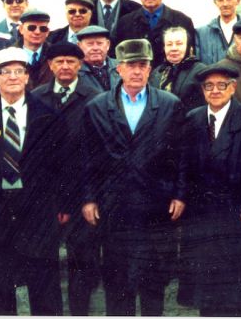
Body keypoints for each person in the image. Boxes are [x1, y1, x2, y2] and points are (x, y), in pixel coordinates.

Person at [0, 48, 72, 315]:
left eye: (19, 71)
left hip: (37, 212)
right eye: (5, 72)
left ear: (27, 77)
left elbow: (63, 165)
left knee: (45, 288)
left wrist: (63, 204)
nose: (13, 77)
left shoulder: (47, 115)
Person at [81, 38, 188, 316]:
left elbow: (181, 155)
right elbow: (89, 157)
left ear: (150, 68)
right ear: (119, 69)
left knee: (153, 278)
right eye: (131, 65)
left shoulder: (169, 104)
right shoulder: (97, 106)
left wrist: (179, 194)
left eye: (142, 65)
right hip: (114, 205)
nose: (137, 71)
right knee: (117, 278)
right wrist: (89, 198)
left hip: (156, 203)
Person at [183, 60, 241, 317]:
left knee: (236, 292)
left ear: (233, 88)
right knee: (207, 290)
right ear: (202, 90)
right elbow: (184, 165)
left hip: (235, 214)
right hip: (202, 216)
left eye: (222, 85)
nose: (215, 91)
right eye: (209, 86)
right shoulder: (193, 118)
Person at [31, 42, 103, 315]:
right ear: (50, 65)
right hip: (45, 195)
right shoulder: (36, 97)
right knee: (43, 262)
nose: (64, 66)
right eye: (59, 61)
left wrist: (89, 196)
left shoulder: (95, 98)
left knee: (81, 260)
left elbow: (98, 151)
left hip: (81, 192)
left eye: (70, 61)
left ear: (80, 65)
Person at [112, 0, 197, 69]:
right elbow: (118, 56)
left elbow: (190, 56)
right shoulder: (125, 23)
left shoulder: (182, 21)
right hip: (137, 74)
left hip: (173, 75)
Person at [149, 26, 206, 114]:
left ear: (189, 47)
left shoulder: (200, 71)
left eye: (179, 44)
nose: (174, 48)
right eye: (169, 44)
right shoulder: (157, 72)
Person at [197, 0, 241, 64]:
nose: (225, 4)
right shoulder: (201, 33)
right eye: (220, 0)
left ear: (238, 1)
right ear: (215, 3)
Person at [17, 8, 54, 89]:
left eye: (43, 29)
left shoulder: (55, 55)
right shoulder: (8, 55)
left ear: (47, 32)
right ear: (21, 29)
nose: (37, 32)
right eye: (31, 28)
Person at [76, 25, 119, 93]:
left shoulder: (121, 66)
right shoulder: (75, 71)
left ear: (108, 45)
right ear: (79, 46)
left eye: (99, 43)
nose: (95, 48)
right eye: (90, 44)